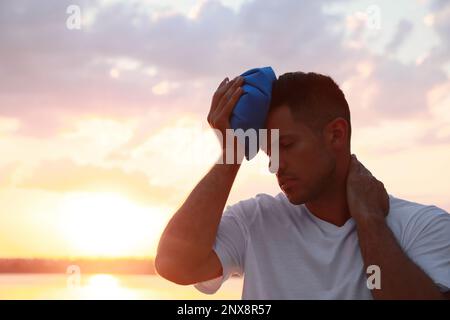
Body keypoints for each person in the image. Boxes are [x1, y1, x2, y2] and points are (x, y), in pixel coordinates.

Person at [155, 72, 450, 299]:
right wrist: (232, 153)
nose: (275, 165)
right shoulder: (256, 221)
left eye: (286, 145)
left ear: (336, 134)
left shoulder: (421, 226)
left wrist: (370, 220)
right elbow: (174, 264)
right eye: (269, 152)